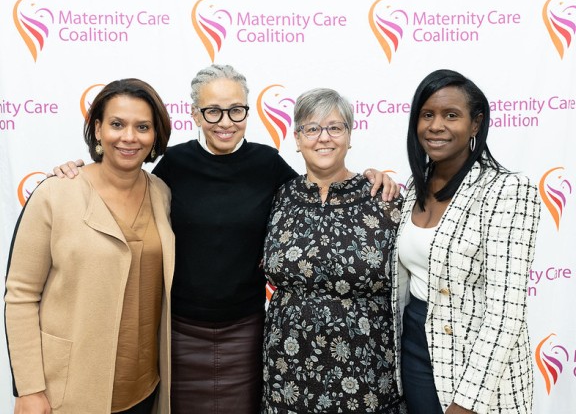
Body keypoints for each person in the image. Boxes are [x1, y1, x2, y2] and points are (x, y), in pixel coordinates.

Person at [53, 64, 399, 414]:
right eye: (212, 111)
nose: (225, 121)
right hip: (180, 332)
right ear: (195, 115)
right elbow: (125, 194)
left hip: (246, 332)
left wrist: (369, 176)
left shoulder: (267, 163)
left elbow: (319, 189)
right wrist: (80, 174)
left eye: (236, 110)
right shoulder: (175, 163)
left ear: (247, 111)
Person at [4, 78, 175, 414]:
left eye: (142, 126)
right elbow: (21, 293)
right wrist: (29, 389)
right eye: (116, 124)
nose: (129, 137)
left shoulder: (162, 193)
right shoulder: (56, 193)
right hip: (69, 390)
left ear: (155, 136)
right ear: (97, 130)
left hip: (145, 388)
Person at [392, 69, 540, 414]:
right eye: (427, 115)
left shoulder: (508, 191)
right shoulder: (414, 188)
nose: (436, 126)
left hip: (477, 357)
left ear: (476, 124)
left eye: (451, 115)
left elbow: (506, 313)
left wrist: (467, 402)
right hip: (415, 344)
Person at [261, 88, 407, 413]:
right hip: (287, 374)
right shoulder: (278, 197)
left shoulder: (384, 198)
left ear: (349, 136)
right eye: (312, 129)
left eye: (335, 127)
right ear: (297, 138)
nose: (323, 138)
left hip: (367, 375)